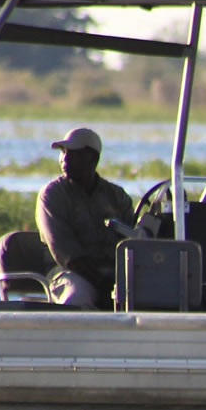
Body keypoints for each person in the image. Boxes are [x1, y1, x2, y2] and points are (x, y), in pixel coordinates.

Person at [35, 126, 136, 308]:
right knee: (79, 297)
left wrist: (118, 279)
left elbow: (133, 245)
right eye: (63, 152)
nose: (64, 158)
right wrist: (102, 283)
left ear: (93, 158)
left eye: (73, 153)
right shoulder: (52, 195)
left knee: (152, 293)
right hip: (68, 273)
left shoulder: (117, 196)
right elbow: (65, 254)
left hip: (113, 273)